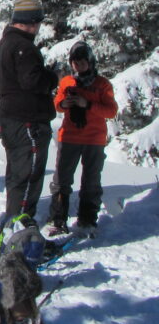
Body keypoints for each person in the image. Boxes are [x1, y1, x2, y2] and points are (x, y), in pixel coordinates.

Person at [0, 0, 58, 221]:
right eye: (38, 21)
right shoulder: (23, 47)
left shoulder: (4, 44)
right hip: (27, 121)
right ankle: (20, 234)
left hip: (12, 120)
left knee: (17, 177)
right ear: (31, 21)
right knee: (28, 178)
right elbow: (32, 81)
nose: (39, 27)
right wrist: (51, 78)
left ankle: (15, 228)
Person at [46, 41, 118, 234]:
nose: (78, 66)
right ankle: (58, 219)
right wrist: (65, 103)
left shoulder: (102, 84)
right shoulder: (67, 82)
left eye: (82, 62)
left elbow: (111, 111)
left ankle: (87, 219)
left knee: (91, 181)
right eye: (75, 62)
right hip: (69, 137)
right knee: (61, 179)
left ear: (90, 61)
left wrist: (88, 104)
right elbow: (57, 104)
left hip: (94, 139)